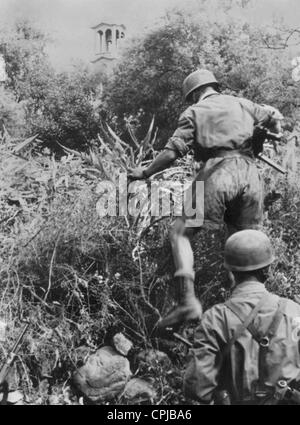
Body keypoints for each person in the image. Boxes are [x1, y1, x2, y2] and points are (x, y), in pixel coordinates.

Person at [129, 69, 283, 330]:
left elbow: (171, 153)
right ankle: (249, 314)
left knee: (180, 233)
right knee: (243, 243)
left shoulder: (194, 112)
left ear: (194, 94)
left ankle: (188, 302)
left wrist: (144, 172)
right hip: (250, 175)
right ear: (214, 86)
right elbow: (276, 117)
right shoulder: (243, 104)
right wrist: (272, 133)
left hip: (217, 172)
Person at [184, 230, 300, 405]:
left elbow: (197, 388)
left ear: (230, 271)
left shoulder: (215, 319)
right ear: (268, 269)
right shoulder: (294, 311)